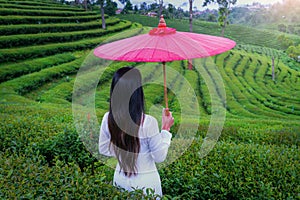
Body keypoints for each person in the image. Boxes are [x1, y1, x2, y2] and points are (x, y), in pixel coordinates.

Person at [99, 66, 174, 196]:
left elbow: (103, 149)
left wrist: (123, 149)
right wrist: (165, 130)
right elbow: (159, 157)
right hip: (146, 185)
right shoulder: (148, 122)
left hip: (120, 180)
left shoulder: (108, 118)